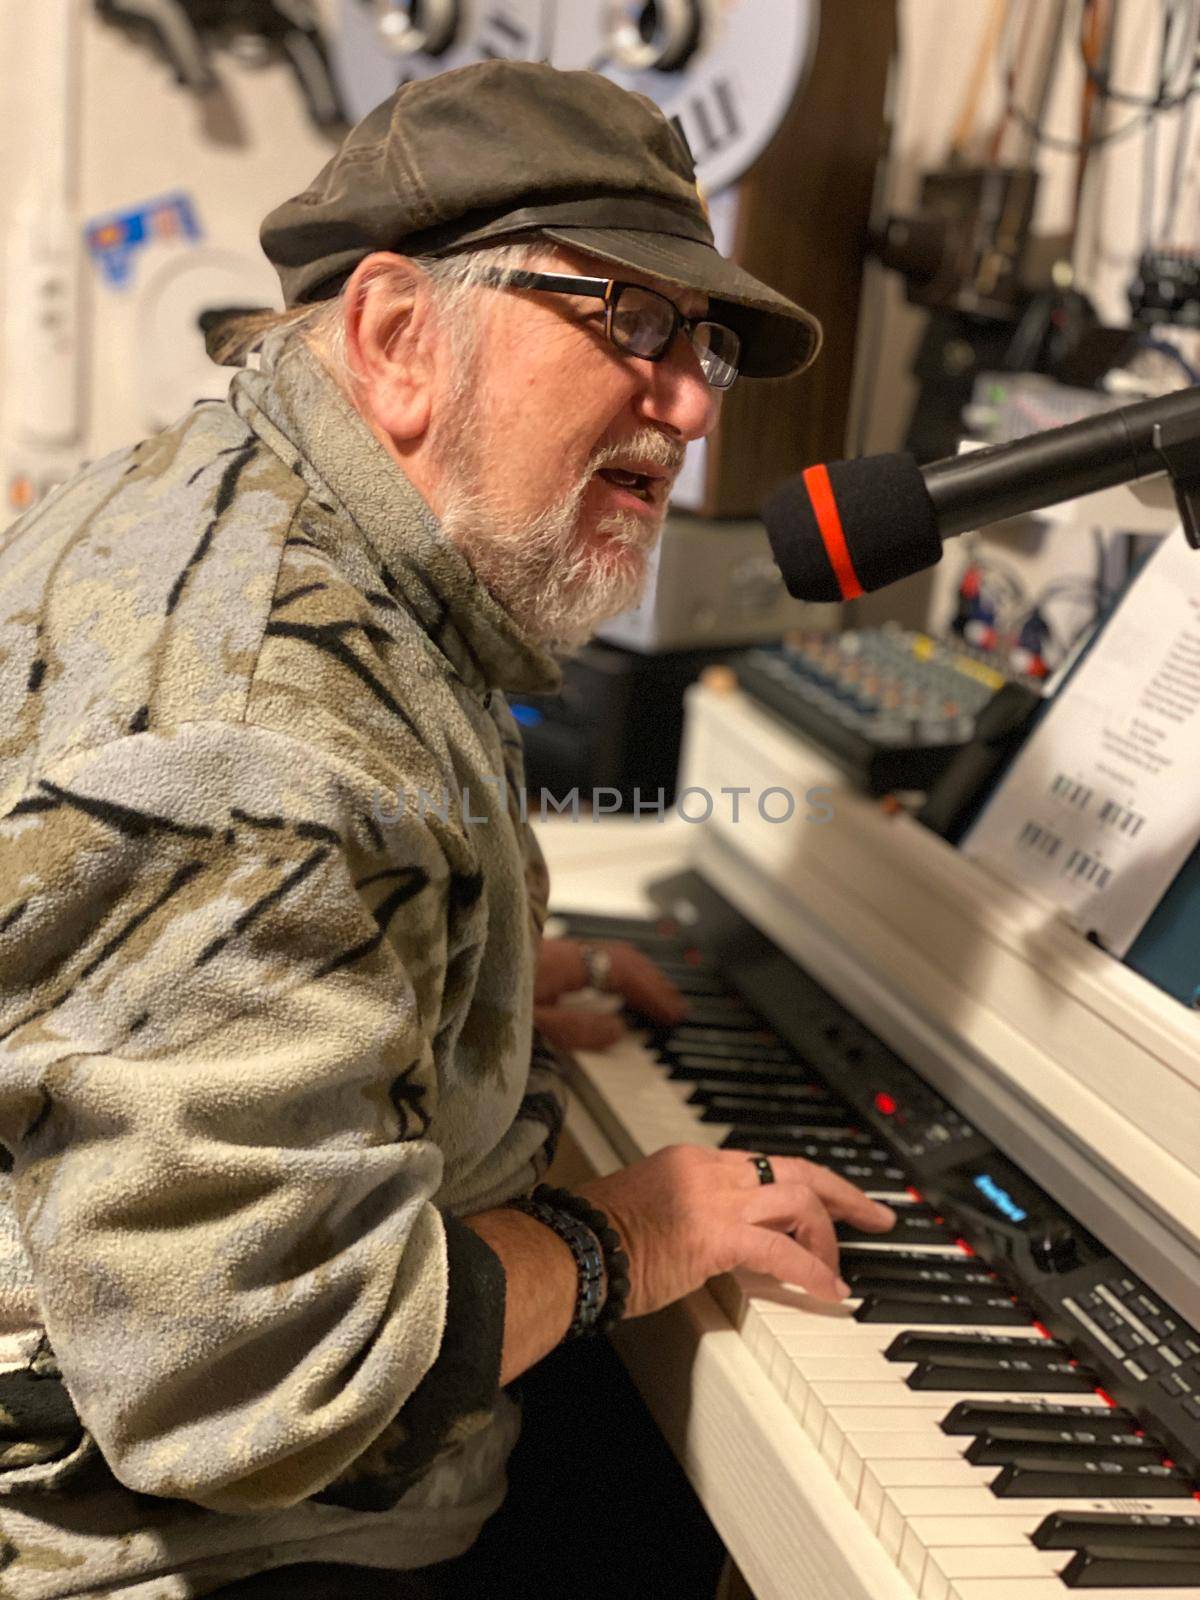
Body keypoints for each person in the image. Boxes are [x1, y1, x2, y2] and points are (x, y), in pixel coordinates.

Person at [0, 60, 894, 1598]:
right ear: (401, 337)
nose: (686, 403)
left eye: (704, 345)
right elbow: (253, 1381)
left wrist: (427, 995)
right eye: (628, 320)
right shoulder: (252, 741)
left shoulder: (263, 508)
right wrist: (634, 1231)